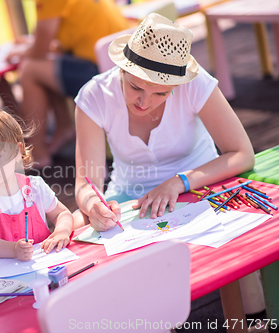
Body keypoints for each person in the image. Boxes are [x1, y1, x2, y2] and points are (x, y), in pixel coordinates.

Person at [73, 13, 255, 231]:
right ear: (122, 69)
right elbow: (86, 184)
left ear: (177, 85)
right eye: (136, 87)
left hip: (200, 186)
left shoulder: (195, 84)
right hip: (129, 198)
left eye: (160, 94)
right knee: (73, 225)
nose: (144, 102)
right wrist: (94, 204)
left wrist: (178, 182)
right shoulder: (95, 95)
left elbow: (242, 154)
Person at [7, 0, 129, 167]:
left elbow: (39, 50)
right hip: (121, 63)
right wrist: (32, 45)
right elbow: (56, 43)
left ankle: (37, 153)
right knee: (45, 66)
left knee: (29, 70)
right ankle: (63, 127)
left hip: (104, 72)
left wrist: (22, 51)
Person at [0, 108, 73, 261]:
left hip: (42, 263)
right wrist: (14, 249)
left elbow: (62, 214)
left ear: (17, 151)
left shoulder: (34, 187)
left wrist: (61, 231)